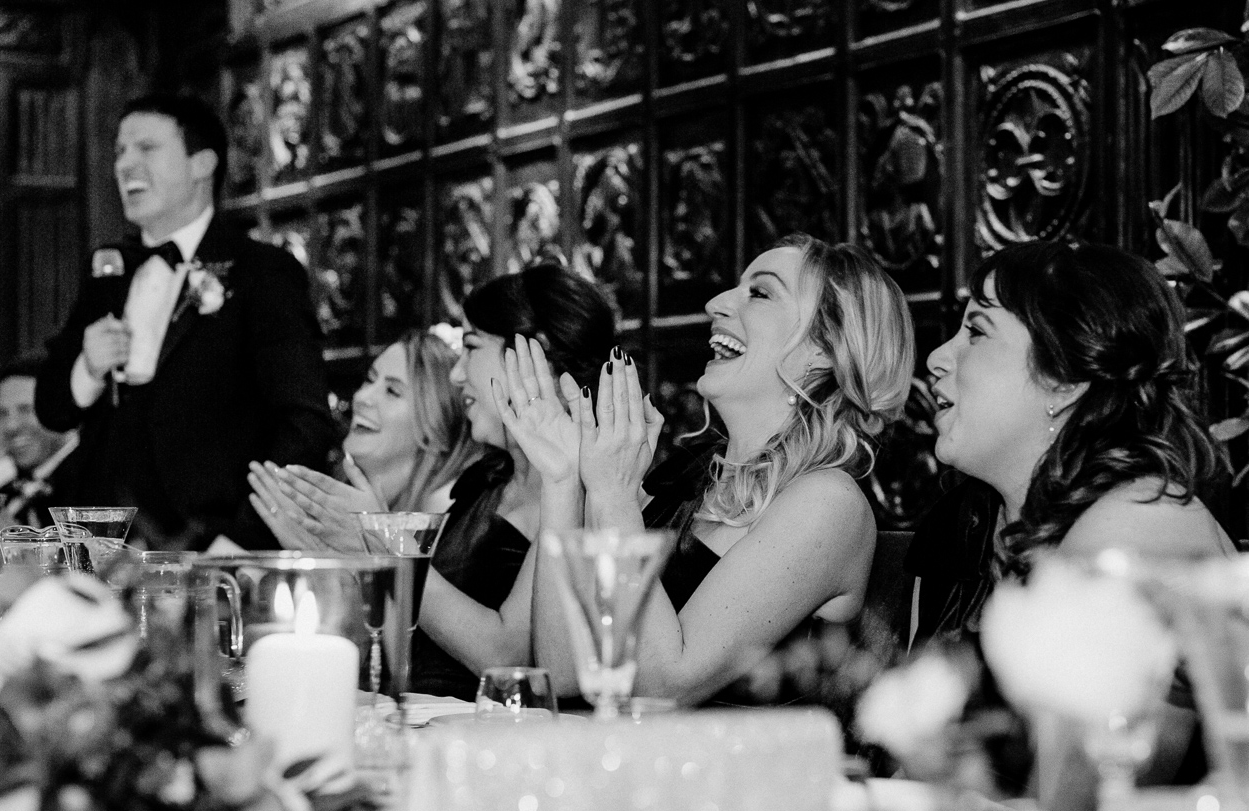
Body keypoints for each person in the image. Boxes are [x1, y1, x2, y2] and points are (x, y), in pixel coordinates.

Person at [502, 235, 915, 706]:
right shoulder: (688, 484)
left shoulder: (829, 502)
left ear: (825, 347)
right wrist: (561, 480)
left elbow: (663, 686)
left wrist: (613, 498)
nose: (715, 303)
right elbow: (561, 674)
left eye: (760, 293)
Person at [906, 240, 1229, 809]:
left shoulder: (1139, 530)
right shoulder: (981, 528)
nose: (937, 357)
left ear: (1063, 379)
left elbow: (1077, 809)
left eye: (977, 332)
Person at [260, 265, 617, 698]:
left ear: (531, 354)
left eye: (471, 347)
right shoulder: (485, 481)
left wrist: (382, 544)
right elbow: (409, 656)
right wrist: (343, 554)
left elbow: (510, 657)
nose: (457, 374)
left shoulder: (576, 492)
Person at [34, 92, 338, 550]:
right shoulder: (108, 269)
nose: (125, 165)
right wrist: (87, 368)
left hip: (209, 544)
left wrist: (241, 540)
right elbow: (52, 409)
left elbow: (304, 424)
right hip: (104, 551)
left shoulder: (261, 272)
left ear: (202, 164)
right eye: (120, 151)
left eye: (147, 148)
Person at [247, 328, 482, 544]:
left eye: (392, 391)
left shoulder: (451, 521)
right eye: (370, 379)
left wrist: (377, 540)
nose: (361, 398)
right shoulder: (337, 507)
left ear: (435, 429)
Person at [0, 361, 79, 527]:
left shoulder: (96, 482)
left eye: (26, 409)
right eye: (3, 413)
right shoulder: (7, 493)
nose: (11, 425)